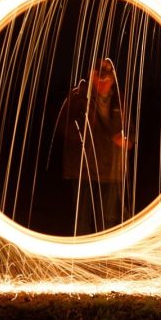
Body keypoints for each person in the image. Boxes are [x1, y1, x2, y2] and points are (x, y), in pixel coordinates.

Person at [58, 58, 132, 235]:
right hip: (84, 170)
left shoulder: (119, 101)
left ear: (113, 80)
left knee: (109, 220)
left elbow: (131, 132)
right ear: (92, 77)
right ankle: (82, 261)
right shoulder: (78, 97)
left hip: (111, 172)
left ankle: (106, 261)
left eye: (107, 80)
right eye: (99, 78)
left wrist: (127, 141)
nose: (103, 83)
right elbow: (64, 127)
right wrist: (84, 132)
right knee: (82, 222)